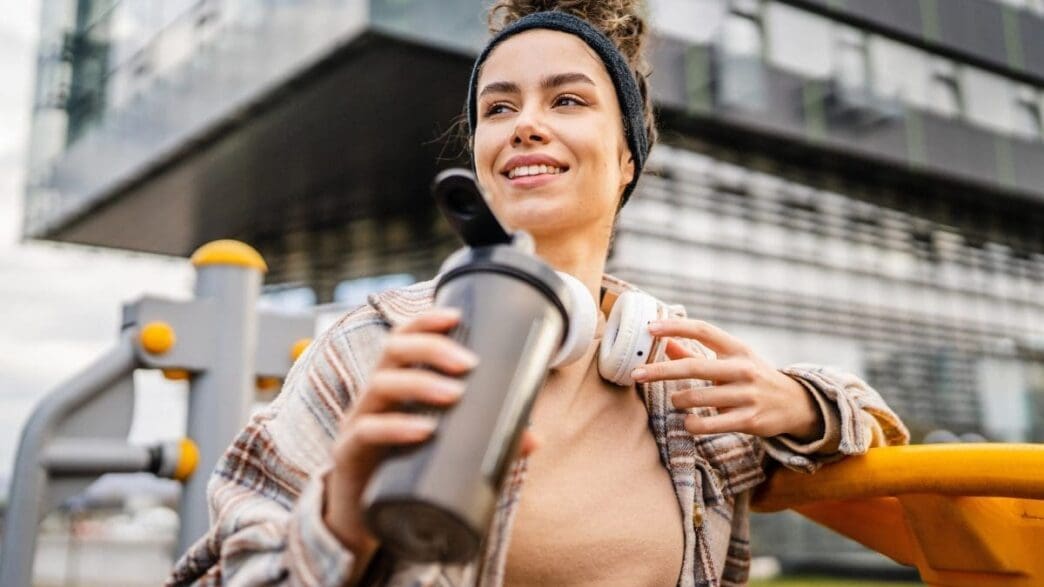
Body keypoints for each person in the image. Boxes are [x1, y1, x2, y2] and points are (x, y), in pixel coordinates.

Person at [167, 1, 909, 585]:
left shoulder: (681, 375)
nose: (525, 125)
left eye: (567, 101)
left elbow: (881, 439)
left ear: (626, 158)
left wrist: (802, 405)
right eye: (498, 108)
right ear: (482, 159)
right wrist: (342, 515)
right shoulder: (373, 351)